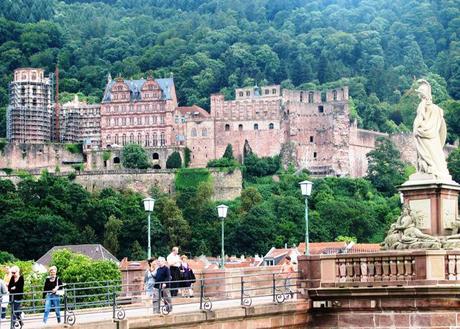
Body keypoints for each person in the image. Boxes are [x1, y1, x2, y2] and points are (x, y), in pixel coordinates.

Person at [413, 79, 450, 180]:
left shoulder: (422, 105)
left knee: (426, 156)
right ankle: (437, 170)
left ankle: (427, 170)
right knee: (436, 156)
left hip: (424, 135)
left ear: (422, 94)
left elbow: (419, 121)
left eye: (419, 93)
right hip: (434, 138)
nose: (418, 95)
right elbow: (442, 128)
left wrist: (416, 130)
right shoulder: (437, 109)